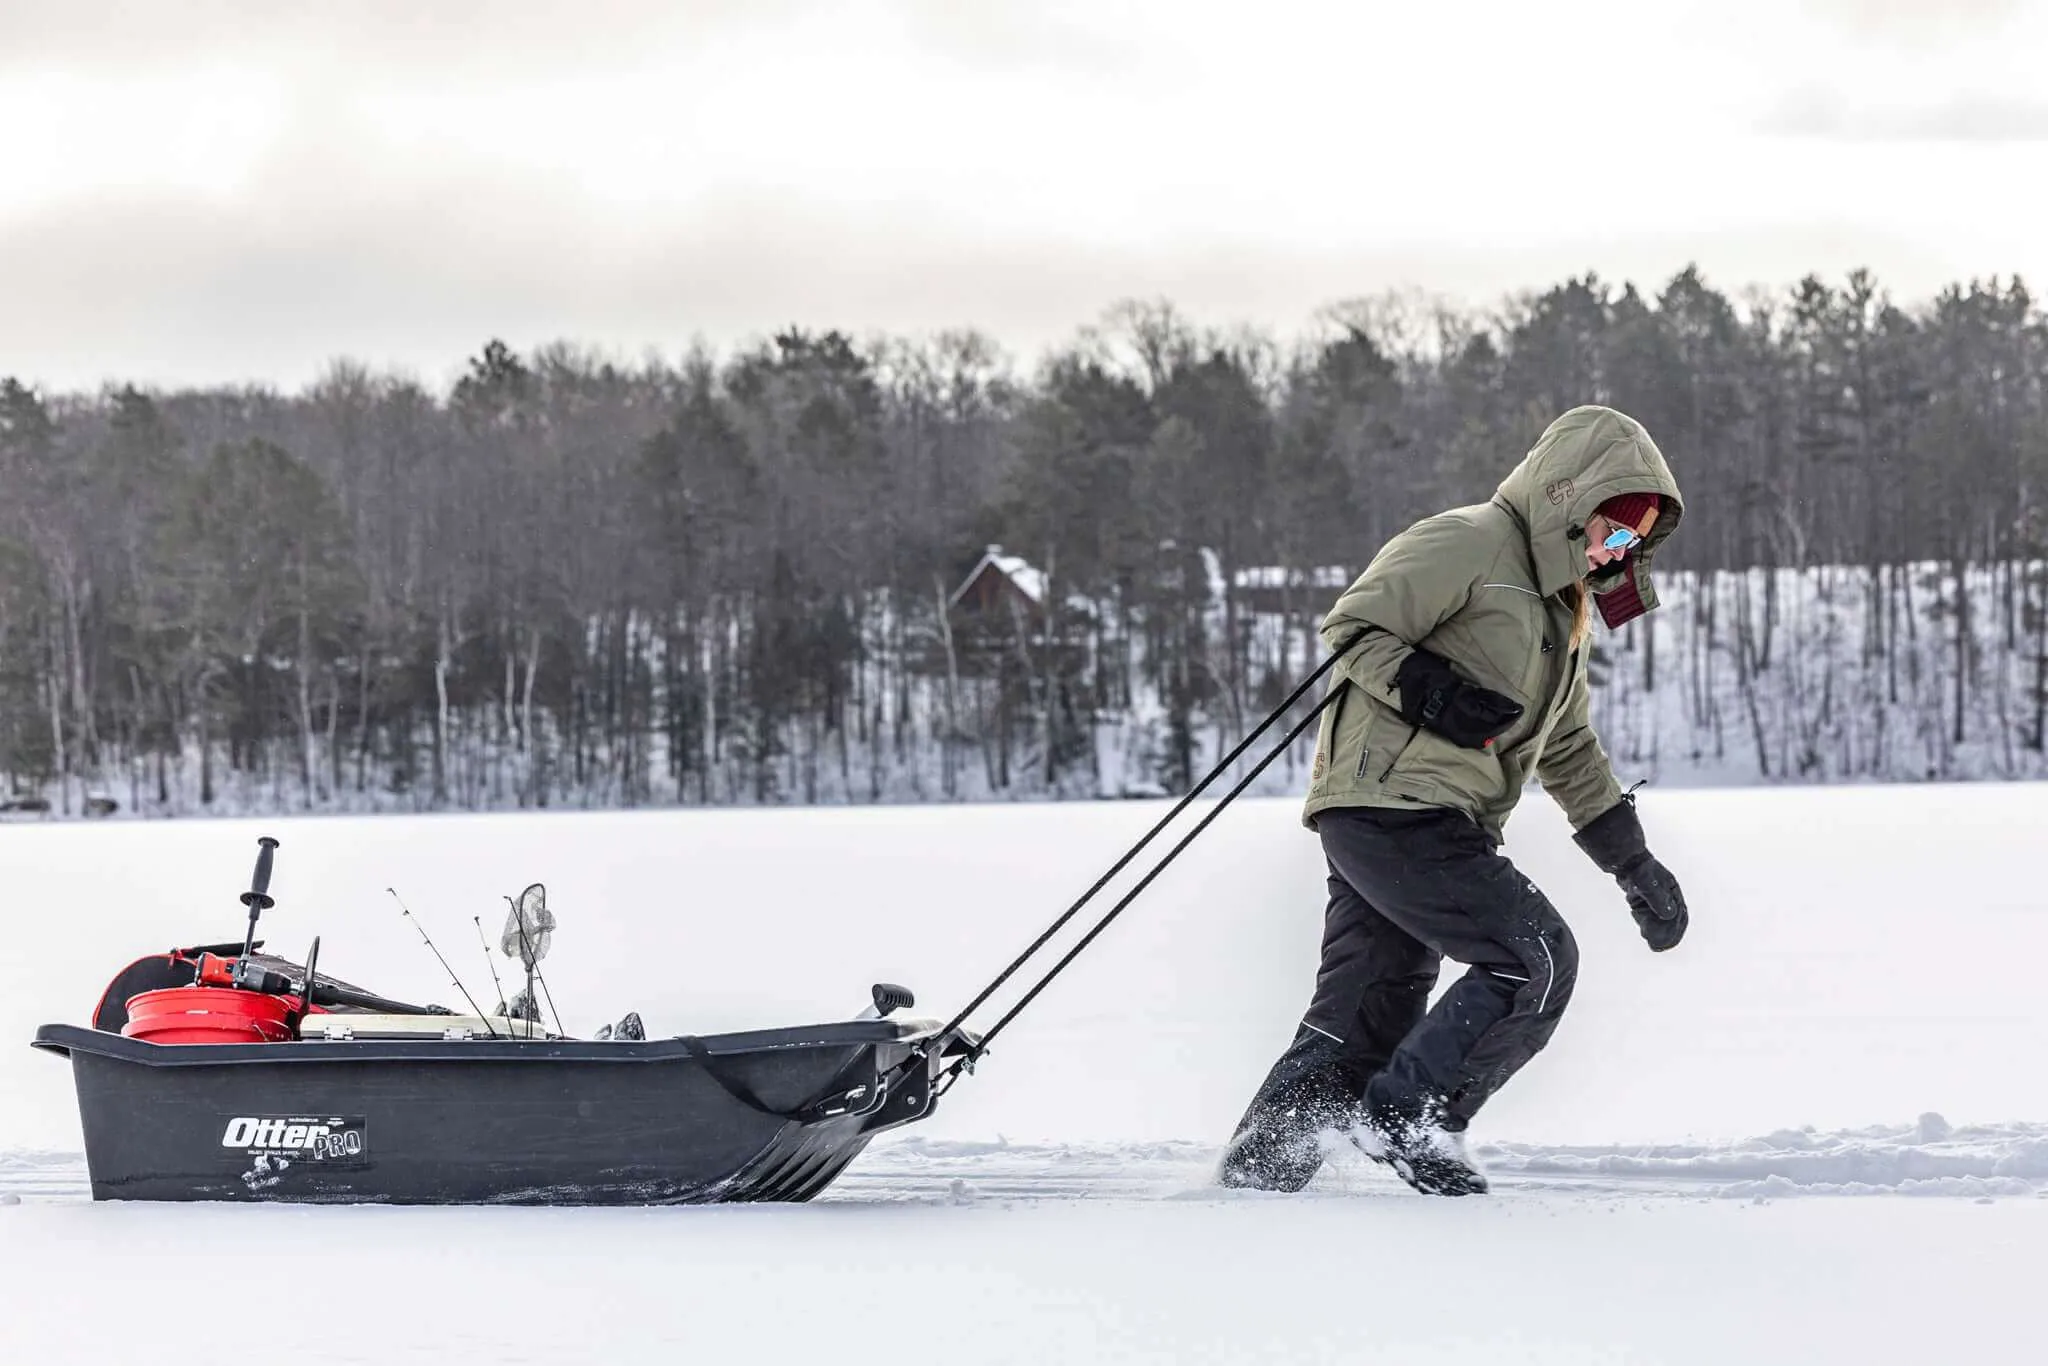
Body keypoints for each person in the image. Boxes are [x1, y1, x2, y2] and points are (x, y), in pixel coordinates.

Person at [1219, 404, 1690, 1197]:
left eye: (1634, 542)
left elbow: (1568, 750)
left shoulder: (1564, 613)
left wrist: (1634, 865)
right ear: (1568, 499)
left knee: (1372, 1007)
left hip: (1430, 816)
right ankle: (1409, 1116)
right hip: (1392, 805)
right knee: (1533, 958)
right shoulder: (1468, 541)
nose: (1619, 549)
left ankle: (1254, 1182)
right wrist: (1431, 695)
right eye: (1613, 528)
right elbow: (1354, 626)